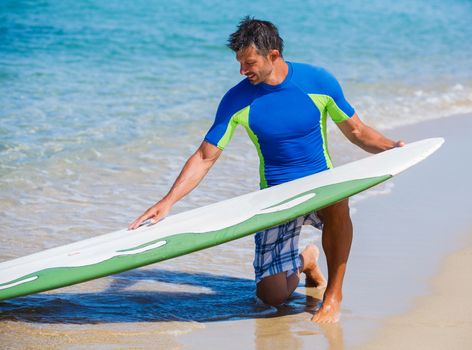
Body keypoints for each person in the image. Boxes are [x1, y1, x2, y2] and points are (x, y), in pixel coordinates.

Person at [129, 17, 404, 323]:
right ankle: (306, 260)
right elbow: (205, 156)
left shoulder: (317, 81)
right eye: (239, 63)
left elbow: (357, 131)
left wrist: (393, 148)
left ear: (273, 55)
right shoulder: (238, 99)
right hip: (277, 198)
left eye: (249, 63)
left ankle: (334, 295)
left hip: (321, 188)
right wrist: (167, 202)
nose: (243, 71)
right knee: (271, 297)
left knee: (339, 198)